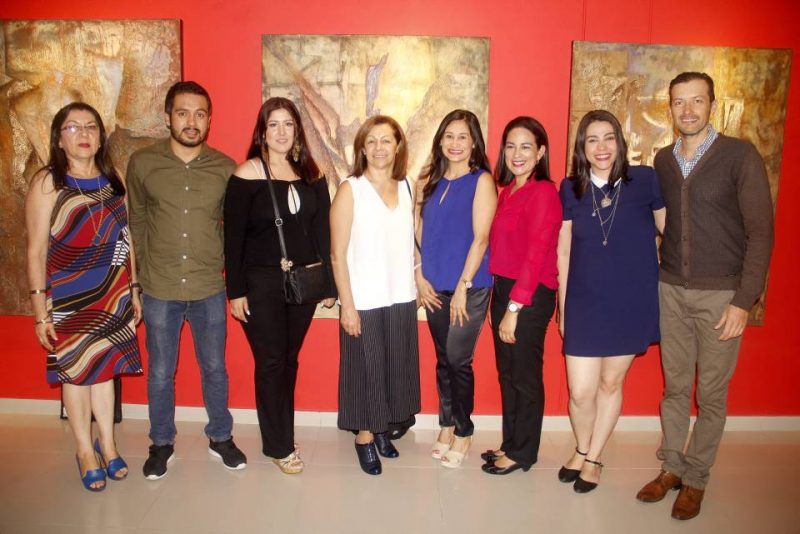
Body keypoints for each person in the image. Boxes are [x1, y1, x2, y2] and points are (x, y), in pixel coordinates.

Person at [636, 72, 773, 520]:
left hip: (721, 297)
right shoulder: (662, 160)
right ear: (669, 108)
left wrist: (743, 299)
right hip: (671, 289)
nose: (688, 110)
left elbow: (760, 233)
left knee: (711, 393)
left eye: (697, 101)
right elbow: (661, 224)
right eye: (679, 102)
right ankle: (672, 466)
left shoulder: (739, 156)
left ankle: (696, 478)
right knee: (675, 387)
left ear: (712, 104)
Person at [127, 81, 246, 480]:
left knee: (214, 367)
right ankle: (161, 443)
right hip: (160, 288)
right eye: (182, 112)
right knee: (161, 371)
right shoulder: (143, 164)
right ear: (167, 117)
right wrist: (137, 282)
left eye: (199, 114)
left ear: (209, 120)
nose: (191, 121)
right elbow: (137, 222)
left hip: (209, 287)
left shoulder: (227, 168)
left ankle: (220, 437)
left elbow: (237, 231)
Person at [25, 102, 142, 491]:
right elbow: (36, 251)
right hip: (70, 296)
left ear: (100, 135)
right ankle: (84, 450)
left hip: (111, 293)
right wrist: (42, 313)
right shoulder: (48, 182)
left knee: (104, 372)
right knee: (75, 374)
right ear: (59, 138)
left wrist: (133, 288)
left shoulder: (114, 177)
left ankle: (107, 445)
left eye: (90, 126)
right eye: (73, 128)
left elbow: (126, 239)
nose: (83, 134)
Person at [224, 97, 336, 474]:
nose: (282, 132)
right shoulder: (246, 175)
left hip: (303, 283)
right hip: (260, 284)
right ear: (262, 131)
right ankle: (278, 445)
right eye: (274, 124)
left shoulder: (312, 175)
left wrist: (330, 285)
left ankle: (281, 433)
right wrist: (235, 292)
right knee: (271, 362)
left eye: (289, 124)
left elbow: (323, 233)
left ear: (297, 131)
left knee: (289, 360)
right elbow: (233, 240)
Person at [556, 110, 666, 493]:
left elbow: (670, 233)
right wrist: (563, 308)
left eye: (608, 138)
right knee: (580, 391)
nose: (601, 147)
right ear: (581, 148)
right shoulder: (571, 188)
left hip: (630, 299)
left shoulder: (646, 180)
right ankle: (582, 446)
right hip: (584, 300)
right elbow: (565, 251)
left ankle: (593, 457)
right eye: (592, 140)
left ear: (620, 142)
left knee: (610, 382)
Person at [330, 115, 421, 476]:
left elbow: (410, 246)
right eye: (372, 141)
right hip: (364, 299)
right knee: (365, 370)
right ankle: (365, 437)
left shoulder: (408, 186)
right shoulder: (350, 189)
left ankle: (382, 429)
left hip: (400, 295)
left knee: (392, 368)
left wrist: (420, 280)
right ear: (362, 148)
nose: (380, 148)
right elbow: (337, 253)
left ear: (398, 146)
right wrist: (346, 306)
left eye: (387, 140)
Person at [415, 110, 497, 468]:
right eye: (449, 135)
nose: (455, 143)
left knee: (459, 361)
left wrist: (464, 286)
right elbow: (417, 230)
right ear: (440, 140)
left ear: (474, 141)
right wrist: (419, 273)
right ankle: (446, 426)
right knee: (442, 361)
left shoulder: (481, 181)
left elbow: (480, 240)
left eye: (462, 136)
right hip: (434, 286)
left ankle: (464, 432)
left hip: (470, 287)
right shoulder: (428, 180)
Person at [480, 116, 561, 475]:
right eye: (511, 145)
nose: (517, 153)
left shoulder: (544, 192)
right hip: (505, 290)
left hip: (528, 294)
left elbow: (537, 253)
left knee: (524, 375)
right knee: (507, 373)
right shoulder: (509, 191)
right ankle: (511, 442)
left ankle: (523, 453)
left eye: (526, 146)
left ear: (541, 151)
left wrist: (514, 307)